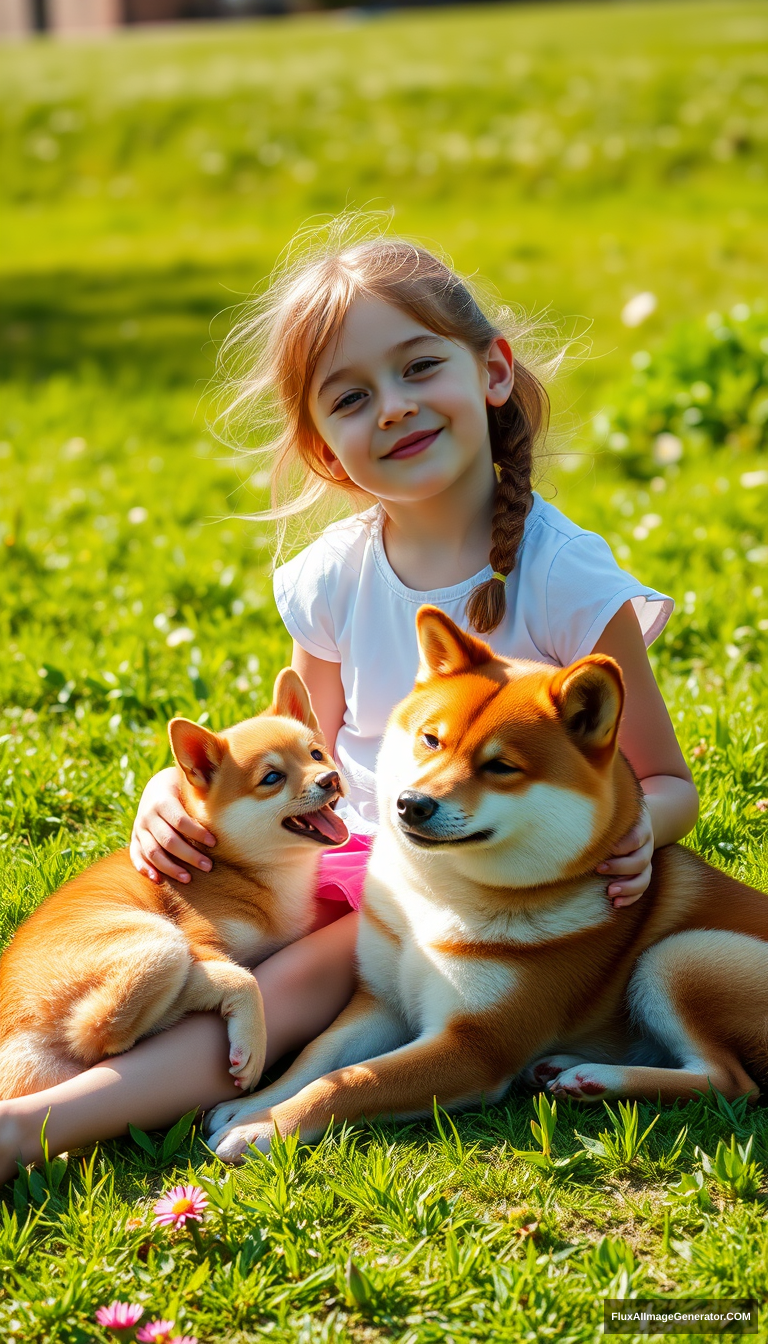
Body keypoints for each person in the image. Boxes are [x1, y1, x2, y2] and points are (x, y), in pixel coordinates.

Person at [0, 224, 698, 1182]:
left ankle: (40, 1128)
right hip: (362, 852)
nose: (396, 409)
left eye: (420, 367)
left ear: (492, 372)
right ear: (323, 448)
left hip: (503, 881)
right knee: (161, 926)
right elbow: (297, 756)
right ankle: (38, 1069)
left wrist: (637, 833)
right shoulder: (333, 580)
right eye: (352, 398)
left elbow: (665, 781)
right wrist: (173, 792)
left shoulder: (565, 577)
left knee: (285, 983)